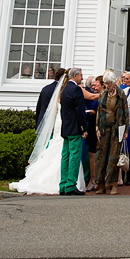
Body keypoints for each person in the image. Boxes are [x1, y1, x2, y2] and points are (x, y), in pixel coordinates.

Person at [94, 70, 128, 194]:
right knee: (101, 155)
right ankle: (100, 183)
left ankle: (113, 184)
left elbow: (126, 113)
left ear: (113, 83)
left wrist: (125, 130)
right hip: (103, 128)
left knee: (113, 156)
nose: (106, 86)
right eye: (105, 83)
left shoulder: (121, 94)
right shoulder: (102, 94)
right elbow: (99, 111)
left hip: (116, 128)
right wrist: (97, 127)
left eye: (108, 83)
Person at [59, 67, 87, 195]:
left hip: (66, 128)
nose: (82, 78)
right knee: (74, 156)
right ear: (75, 75)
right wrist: (83, 128)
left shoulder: (64, 89)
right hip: (75, 128)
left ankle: (63, 184)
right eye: (80, 75)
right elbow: (79, 111)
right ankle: (71, 184)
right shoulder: (76, 89)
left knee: (65, 156)